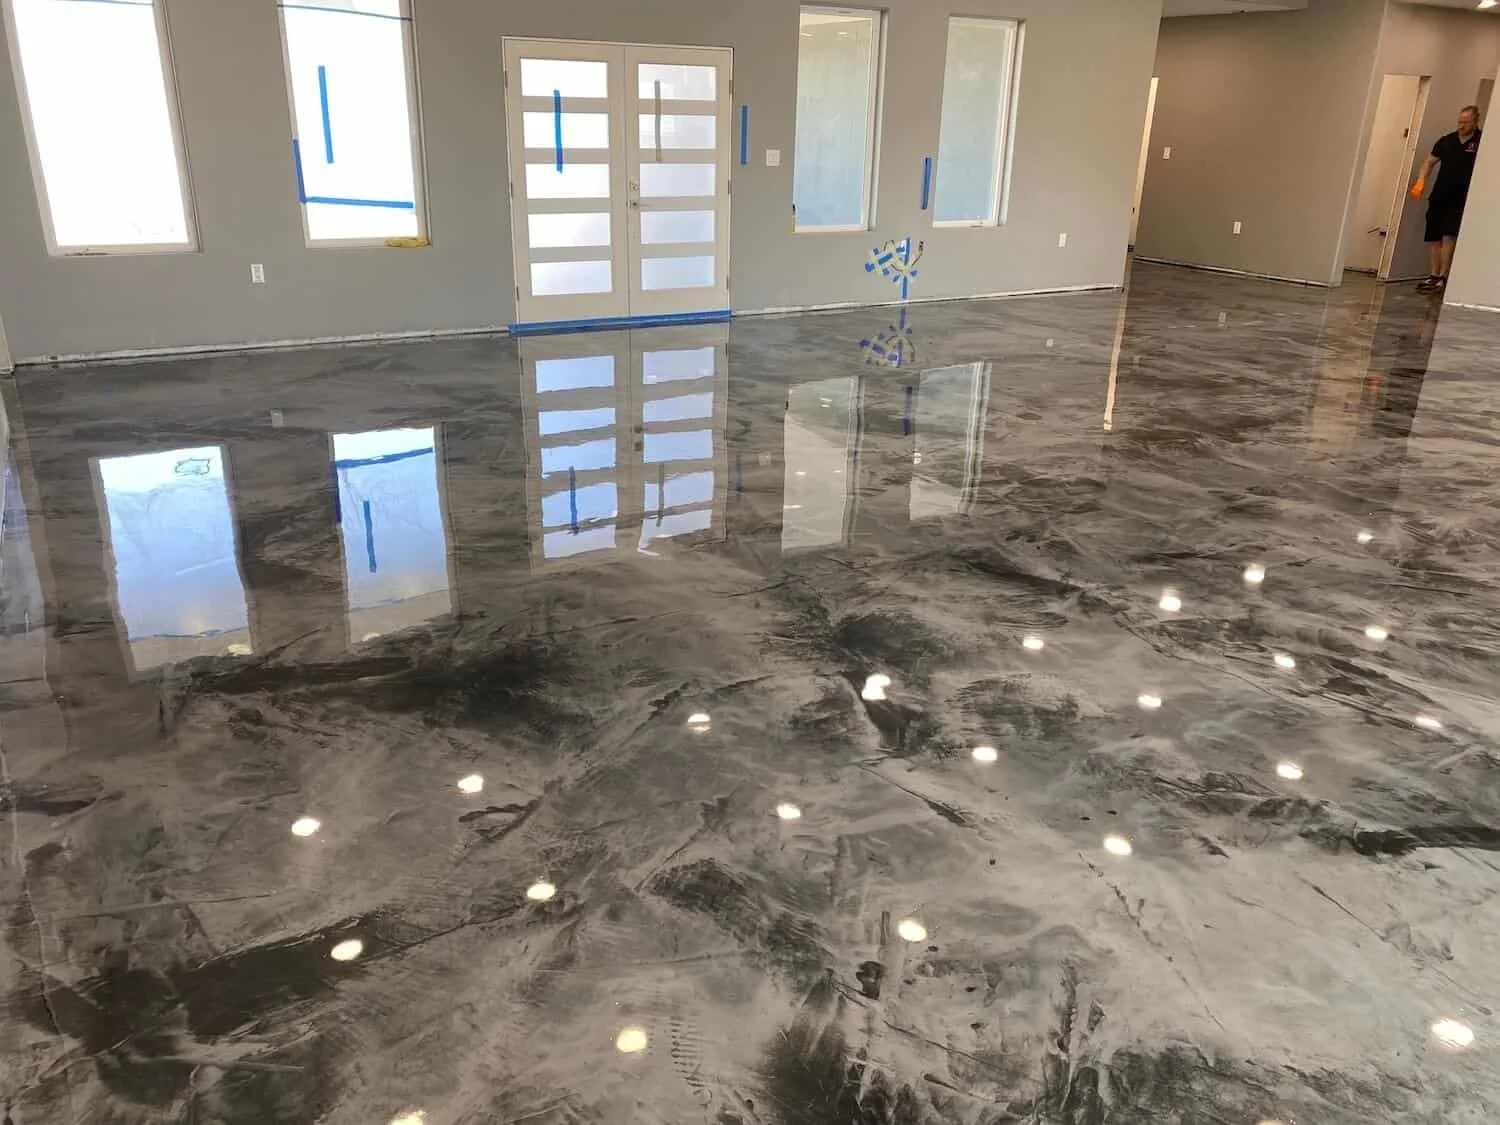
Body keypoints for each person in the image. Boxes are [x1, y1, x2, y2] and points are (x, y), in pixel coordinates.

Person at [1409, 105, 1483, 292]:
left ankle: (1443, 276)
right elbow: (1429, 162)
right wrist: (1420, 181)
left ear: (1475, 122)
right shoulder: (1446, 141)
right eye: (1460, 122)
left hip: (1460, 198)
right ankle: (1433, 275)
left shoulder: (1480, 141)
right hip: (1440, 195)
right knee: (1434, 236)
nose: (1461, 126)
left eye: (1466, 123)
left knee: (1449, 235)